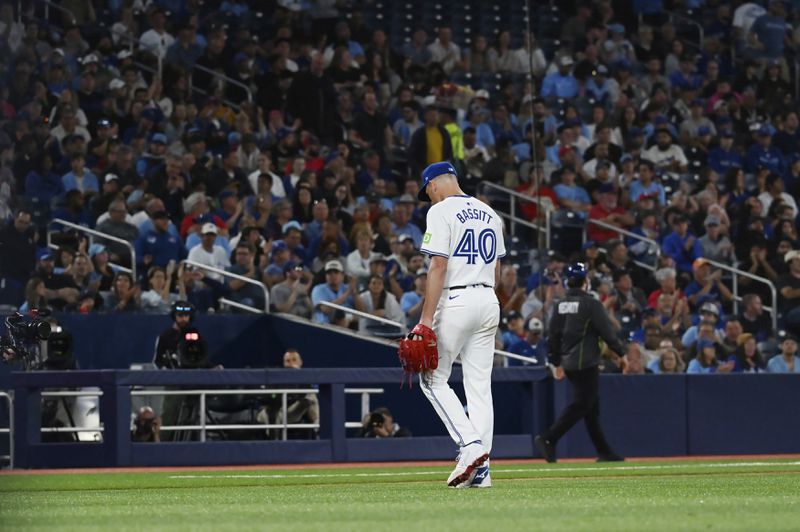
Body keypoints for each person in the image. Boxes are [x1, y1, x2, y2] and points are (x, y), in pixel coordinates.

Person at [413, 162, 506, 488]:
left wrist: (426, 320)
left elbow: (438, 266)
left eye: (428, 191)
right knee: (479, 386)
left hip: (457, 301)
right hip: (488, 300)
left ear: (435, 183)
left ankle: (470, 447)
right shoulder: (490, 213)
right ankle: (483, 471)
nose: (429, 197)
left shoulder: (440, 212)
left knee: (432, 380)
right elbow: (496, 274)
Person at [536, 262, 626, 464]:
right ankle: (549, 438)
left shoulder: (560, 305)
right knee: (583, 404)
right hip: (586, 362)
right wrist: (622, 353)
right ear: (585, 281)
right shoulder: (591, 304)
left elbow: (553, 336)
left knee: (591, 408)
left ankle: (604, 451)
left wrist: (556, 361)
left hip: (568, 363)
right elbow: (607, 331)